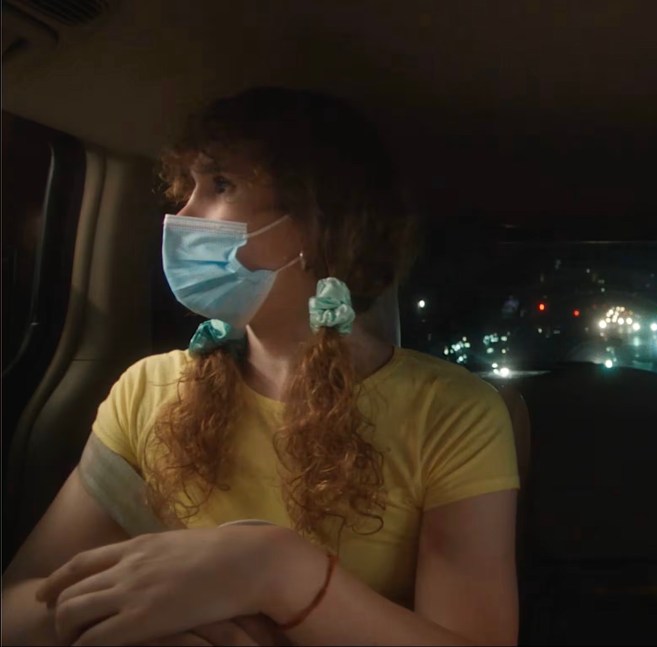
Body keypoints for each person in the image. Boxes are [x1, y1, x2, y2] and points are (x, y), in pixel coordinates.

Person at [1, 87, 520, 646]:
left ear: (320, 225)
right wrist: (175, 622)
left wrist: (276, 571)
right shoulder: (147, 389)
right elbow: (14, 610)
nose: (182, 216)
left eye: (221, 185)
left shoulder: (451, 412)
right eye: (186, 189)